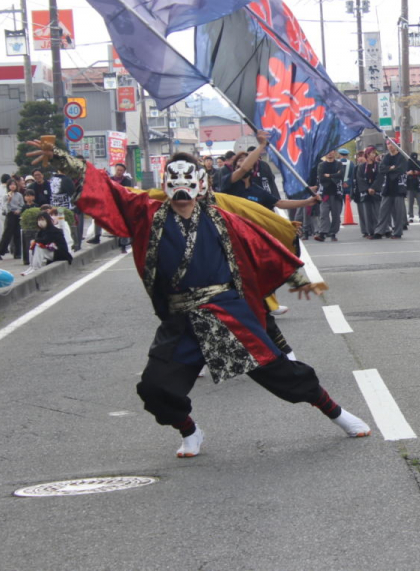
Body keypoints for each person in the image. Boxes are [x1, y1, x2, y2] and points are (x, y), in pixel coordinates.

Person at [26, 139, 371, 457]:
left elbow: (261, 249)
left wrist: (297, 277)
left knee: (280, 371)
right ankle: (189, 430)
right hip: (180, 318)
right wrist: (61, 160)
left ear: (201, 184)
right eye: (174, 182)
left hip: (227, 312)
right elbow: (108, 190)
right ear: (165, 183)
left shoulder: (222, 219)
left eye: (189, 182)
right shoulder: (147, 214)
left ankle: (337, 413)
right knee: (154, 388)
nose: (182, 191)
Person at [23, 209, 73, 274]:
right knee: (33, 246)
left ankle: (35, 268)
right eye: (39, 220)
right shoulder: (41, 231)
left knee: (38, 247)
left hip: (60, 253)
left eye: (43, 220)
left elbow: (45, 240)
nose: (40, 222)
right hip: (52, 251)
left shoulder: (54, 230)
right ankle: (31, 266)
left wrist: (35, 241)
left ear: (47, 220)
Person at [376, 139, 408, 239]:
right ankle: (379, 231)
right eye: (389, 144)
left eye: (393, 144)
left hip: (399, 187)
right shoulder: (386, 157)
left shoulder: (402, 157)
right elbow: (381, 169)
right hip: (387, 187)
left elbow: (401, 169)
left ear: (397, 145)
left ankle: (398, 232)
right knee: (383, 210)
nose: (391, 146)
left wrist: (389, 170)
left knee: (398, 212)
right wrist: (391, 168)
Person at [313, 150, 343, 242]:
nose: (330, 153)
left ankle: (333, 233)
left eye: (332, 151)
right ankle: (322, 233)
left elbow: (340, 175)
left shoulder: (339, 164)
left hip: (336, 192)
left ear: (335, 153)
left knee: (336, 215)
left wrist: (329, 175)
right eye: (328, 151)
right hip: (324, 193)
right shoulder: (321, 165)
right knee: (323, 213)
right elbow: (321, 177)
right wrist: (334, 176)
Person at [0, 178, 24, 260]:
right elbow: (4, 207)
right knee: (7, 234)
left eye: (14, 185)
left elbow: (22, 205)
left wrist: (19, 210)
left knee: (17, 234)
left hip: (17, 215)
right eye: (11, 185)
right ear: (8, 186)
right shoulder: (5, 196)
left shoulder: (19, 195)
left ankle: (17, 253)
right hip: (10, 215)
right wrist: (8, 200)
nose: (13, 186)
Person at [355, 147, 380, 238]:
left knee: (377, 212)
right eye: (372, 153)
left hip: (376, 191)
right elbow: (360, 179)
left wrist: (373, 188)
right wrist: (367, 189)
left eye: (375, 153)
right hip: (366, 192)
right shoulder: (362, 167)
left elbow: (379, 177)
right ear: (368, 154)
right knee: (367, 212)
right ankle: (370, 231)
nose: (374, 155)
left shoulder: (378, 165)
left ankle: (379, 230)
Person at [406, 151, 420, 223]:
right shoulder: (407, 163)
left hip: (418, 185)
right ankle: (410, 216)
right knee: (410, 202)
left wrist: (419, 173)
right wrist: (408, 173)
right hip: (409, 185)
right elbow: (402, 173)